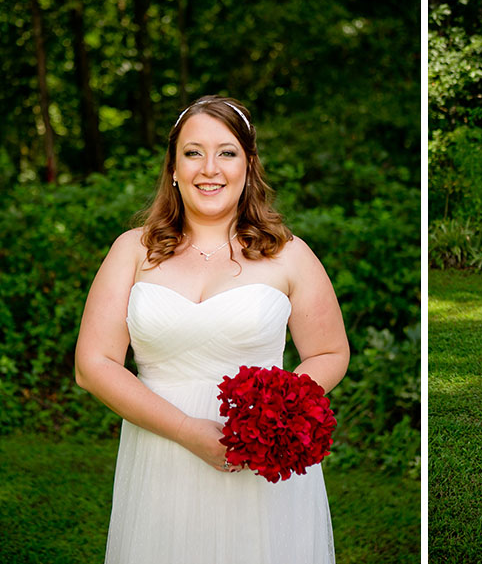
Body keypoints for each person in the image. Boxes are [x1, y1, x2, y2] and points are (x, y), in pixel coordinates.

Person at [75, 95, 349, 562]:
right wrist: (186, 429)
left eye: (227, 152)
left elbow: (329, 353)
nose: (210, 168)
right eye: (193, 152)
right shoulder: (131, 251)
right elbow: (92, 364)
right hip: (160, 451)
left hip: (259, 462)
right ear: (173, 168)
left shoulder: (290, 255)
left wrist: (272, 417)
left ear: (248, 166)